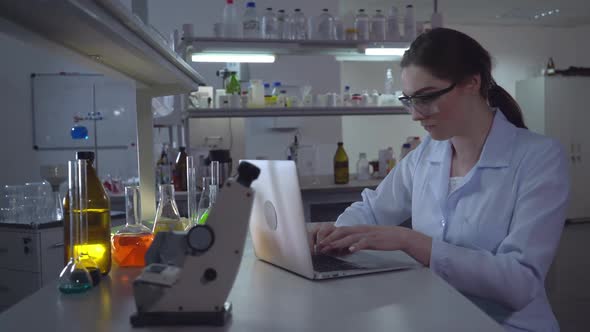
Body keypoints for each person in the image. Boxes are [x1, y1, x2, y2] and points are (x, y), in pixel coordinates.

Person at [312, 28, 569, 332]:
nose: (416, 115)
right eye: (409, 100)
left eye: (427, 97)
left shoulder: (539, 158)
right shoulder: (426, 155)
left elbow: (520, 281)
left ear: (473, 83)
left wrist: (411, 241)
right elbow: (370, 209)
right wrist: (334, 236)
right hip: (436, 315)